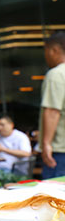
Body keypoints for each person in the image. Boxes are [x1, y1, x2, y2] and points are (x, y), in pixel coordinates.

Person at [39, 31, 65, 179]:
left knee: (56, 198)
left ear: (54, 50)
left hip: (60, 150)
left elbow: (52, 111)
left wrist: (46, 143)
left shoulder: (56, 74)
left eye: (46, 51)